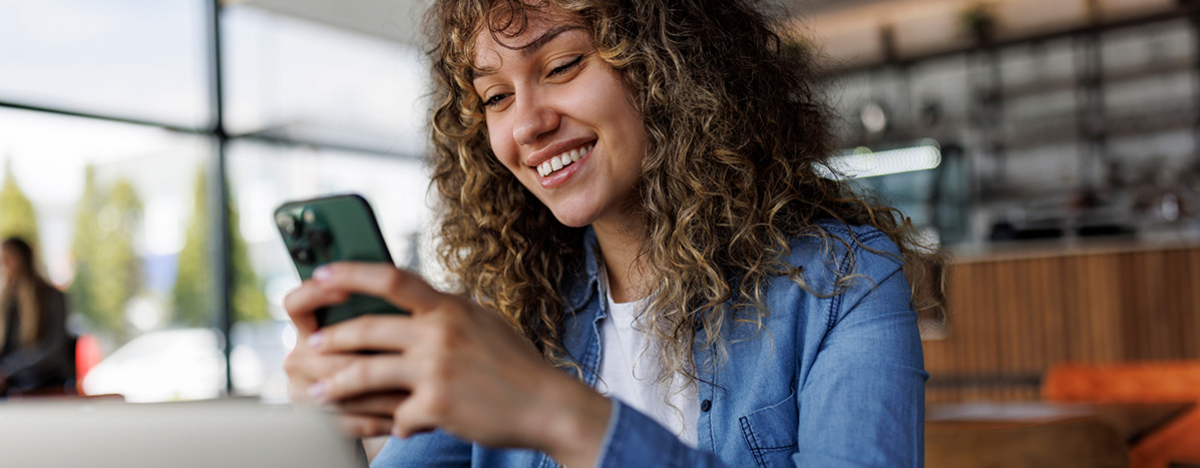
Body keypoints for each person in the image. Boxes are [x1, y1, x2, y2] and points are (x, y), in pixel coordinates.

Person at [284, 0, 941, 466]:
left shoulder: (844, 281)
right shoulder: (513, 317)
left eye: (564, 65)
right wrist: (325, 424)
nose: (527, 125)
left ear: (674, 69)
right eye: (495, 97)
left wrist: (559, 414)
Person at [0, 237, 73, 396]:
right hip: (11, 384)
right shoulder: (7, 301)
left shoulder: (52, 298)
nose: (3, 266)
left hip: (41, 384)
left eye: (7, 260)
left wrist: (8, 370)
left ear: (23, 260)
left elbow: (54, 351)